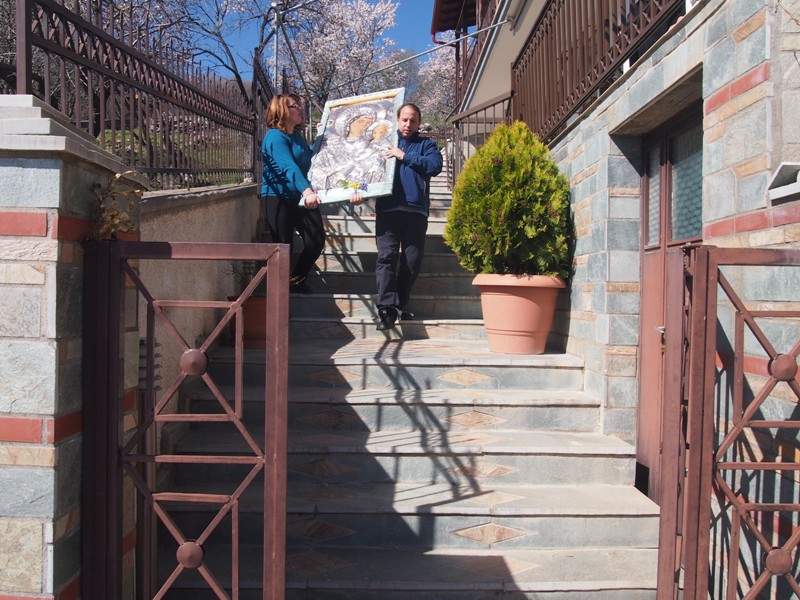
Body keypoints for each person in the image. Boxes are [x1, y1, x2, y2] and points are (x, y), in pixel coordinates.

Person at [261, 94, 362, 292]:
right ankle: (278, 295)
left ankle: (295, 281)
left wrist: (323, 137)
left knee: (315, 240)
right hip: (277, 197)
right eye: (295, 106)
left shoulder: (297, 137)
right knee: (283, 247)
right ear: (282, 110)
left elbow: (313, 162)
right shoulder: (274, 136)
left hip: (300, 196)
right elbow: (288, 166)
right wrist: (307, 191)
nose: (300, 108)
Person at [374, 103, 443, 330]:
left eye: (413, 120)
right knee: (386, 257)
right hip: (388, 210)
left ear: (419, 123)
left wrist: (404, 156)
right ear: (397, 120)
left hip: (416, 212)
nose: (408, 124)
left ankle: (399, 304)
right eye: (404, 119)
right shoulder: (382, 142)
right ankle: (386, 308)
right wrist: (357, 192)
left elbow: (435, 165)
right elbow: (367, 171)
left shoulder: (426, 145)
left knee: (411, 262)